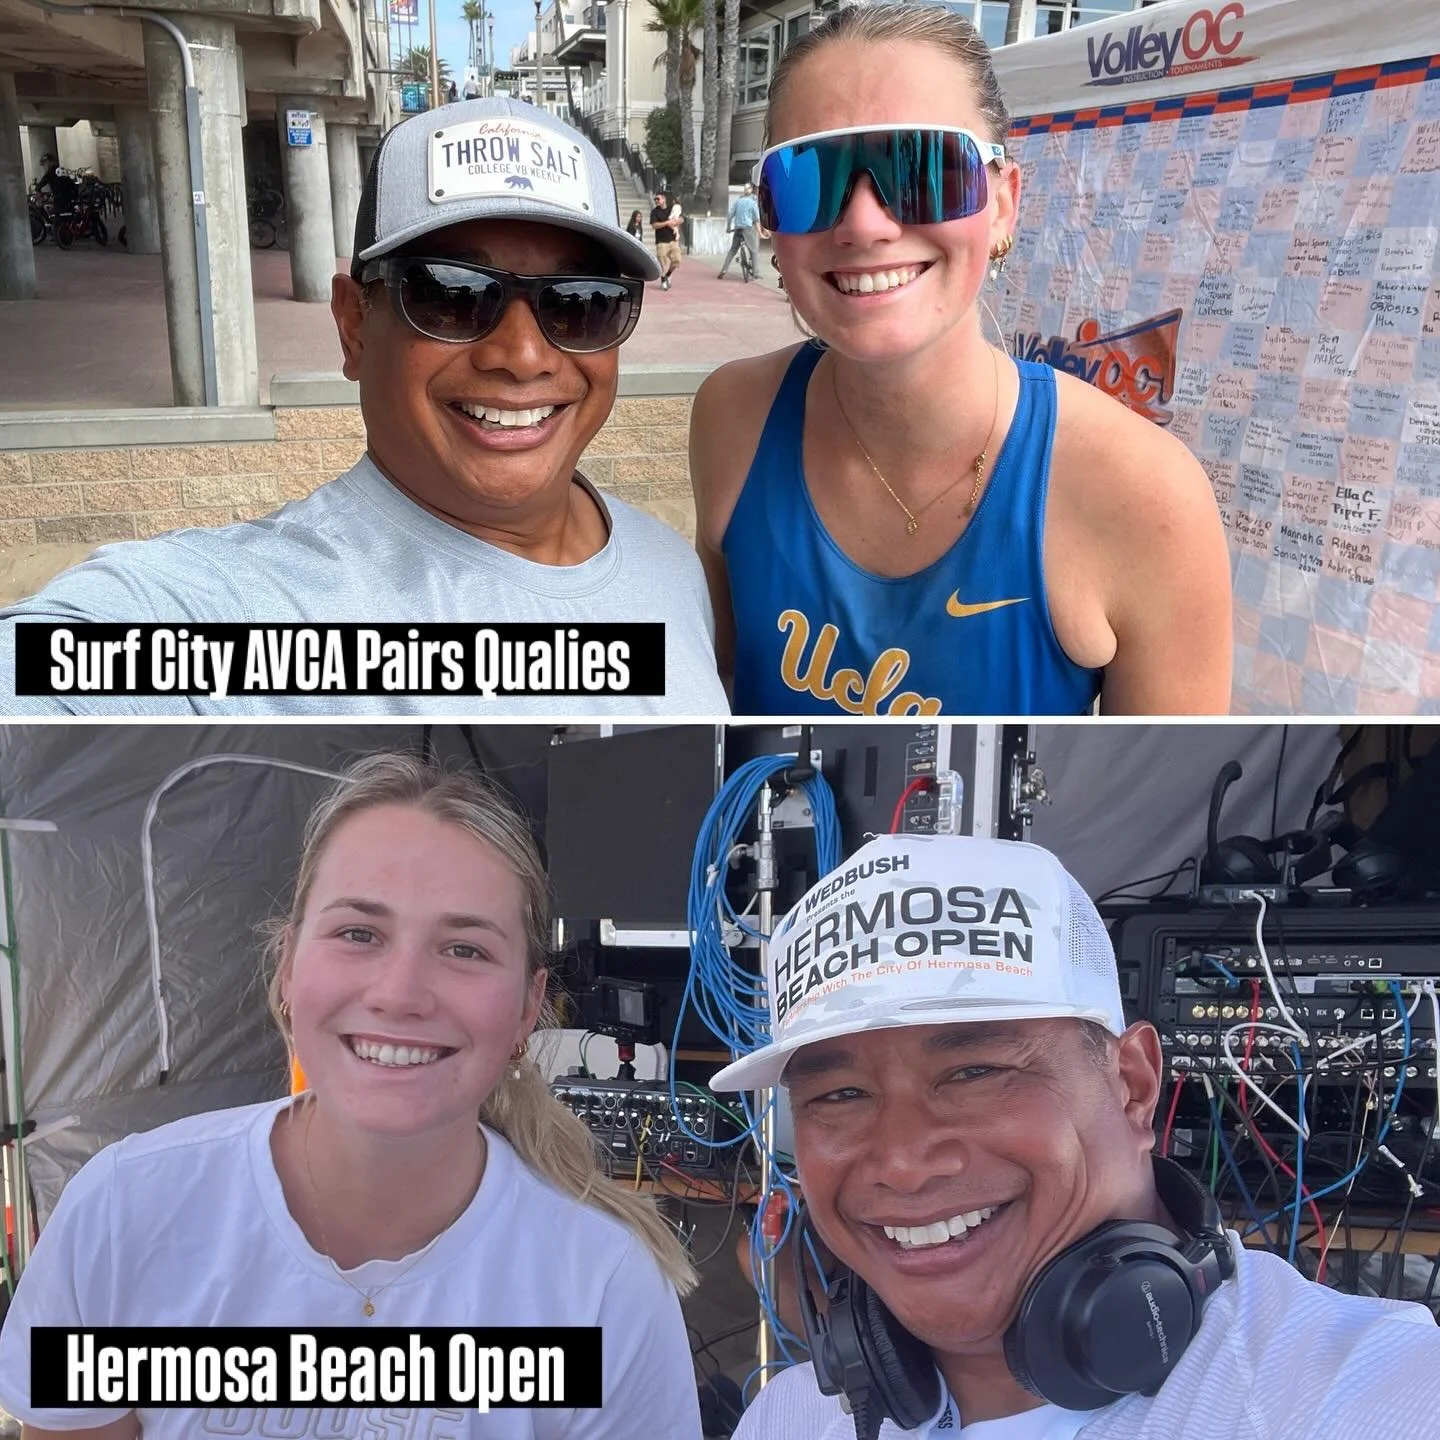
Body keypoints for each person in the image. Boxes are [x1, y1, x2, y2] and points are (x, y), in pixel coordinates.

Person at [0, 752, 706, 1439]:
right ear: (287, 967)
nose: (399, 994)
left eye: (465, 949)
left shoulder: (602, 1284)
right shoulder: (125, 1209)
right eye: (358, 933)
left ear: (528, 1006)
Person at [0, 99, 727, 718]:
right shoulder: (257, 614)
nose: (524, 354)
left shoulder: (670, 567)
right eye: (449, 293)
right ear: (353, 324)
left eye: (582, 303)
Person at [711, 832, 1440, 1439]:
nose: (903, 1162)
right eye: (840, 1094)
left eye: (974, 1072)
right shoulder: (790, 1418)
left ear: (1133, 1086)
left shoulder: (1377, 1396)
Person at [689, 4, 1232, 717]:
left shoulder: (1146, 497)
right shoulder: (733, 418)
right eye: (809, 178)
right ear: (769, 218)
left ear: (1003, 205)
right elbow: (712, 687)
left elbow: (1168, 775)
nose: (865, 224)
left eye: (923, 169)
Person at [717, 183, 760, 282]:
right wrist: (760, 231)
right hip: (748, 228)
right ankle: (755, 273)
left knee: (733, 250)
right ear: (751, 191)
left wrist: (728, 228)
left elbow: (730, 215)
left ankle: (724, 269)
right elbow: (757, 219)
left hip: (737, 229)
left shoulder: (738, 202)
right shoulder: (752, 203)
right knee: (753, 250)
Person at [650, 191, 683, 291]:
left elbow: (681, 218)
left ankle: (668, 275)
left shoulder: (671, 209)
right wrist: (667, 223)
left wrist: (678, 221)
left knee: (677, 260)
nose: (656, 201)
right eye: (655, 199)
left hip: (673, 240)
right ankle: (663, 280)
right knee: (662, 263)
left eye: (658, 199)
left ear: (664, 199)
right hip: (661, 241)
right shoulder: (655, 212)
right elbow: (654, 225)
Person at [32, 153, 77, 218]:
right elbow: (73, 185)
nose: (44, 167)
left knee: (54, 217)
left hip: (59, 202)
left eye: (44, 164)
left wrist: (40, 195)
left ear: (48, 162)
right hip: (69, 200)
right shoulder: (62, 170)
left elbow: (39, 186)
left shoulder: (50, 172)